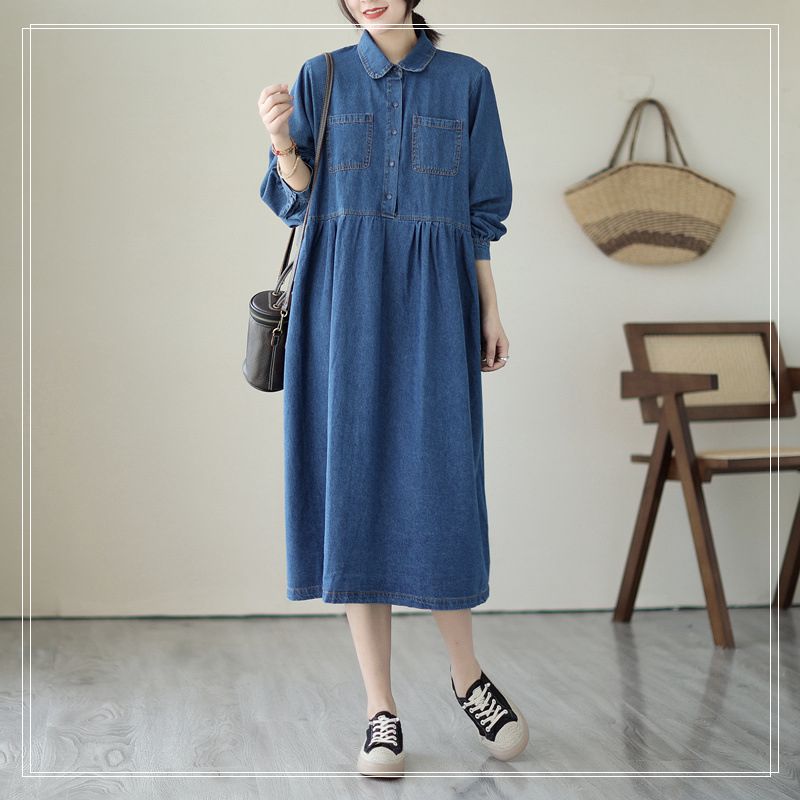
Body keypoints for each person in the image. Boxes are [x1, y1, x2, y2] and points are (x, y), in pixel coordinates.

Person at [257, 0, 528, 777]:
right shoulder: (323, 75)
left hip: (436, 304)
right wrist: (281, 143)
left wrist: (491, 309)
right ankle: (381, 710)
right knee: (354, 491)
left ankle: (467, 677)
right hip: (340, 303)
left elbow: (479, 214)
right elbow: (299, 201)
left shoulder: (468, 81)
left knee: (441, 487)